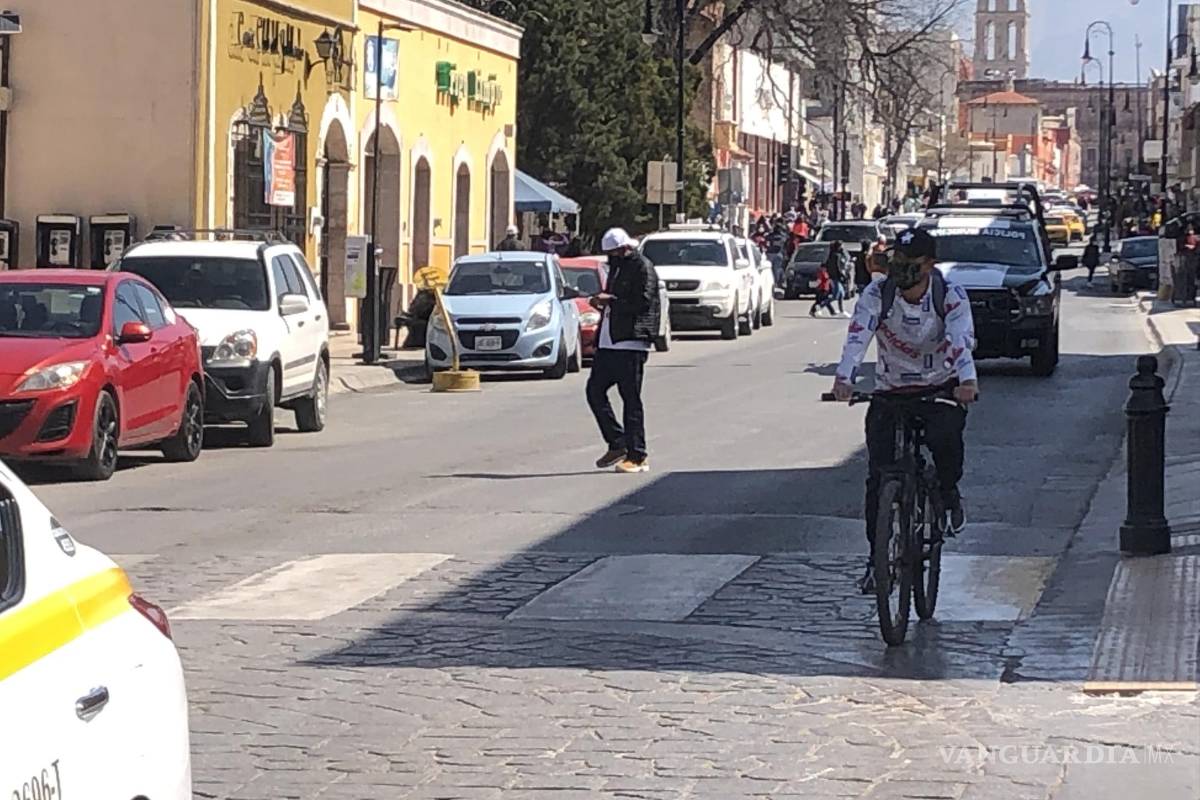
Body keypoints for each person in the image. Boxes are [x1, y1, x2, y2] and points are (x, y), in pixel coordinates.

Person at [831, 228, 979, 594]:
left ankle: (947, 493)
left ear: (929, 265)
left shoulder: (949, 296)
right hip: (891, 388)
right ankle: (877, 557)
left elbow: (961, 339)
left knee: (945, 438)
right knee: (878, 474)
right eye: (896, 260)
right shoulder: (877, 293)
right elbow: (858, 335)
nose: (901, 269)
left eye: (910, 263)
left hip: (940, 385)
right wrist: (844, 378)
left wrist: (968, 381)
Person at [586, 228, 662, 474]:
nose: (611, 258)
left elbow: (643, 302)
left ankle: (638, 455)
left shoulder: (642, 266)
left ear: (624, 249)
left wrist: (613, 301)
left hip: (631, 342)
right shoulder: (617, 267)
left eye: (614, 253)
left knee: (630, 399)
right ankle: (617, 443)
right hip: (609, 341)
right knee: (594, 392)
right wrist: (602, 302)